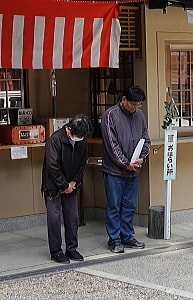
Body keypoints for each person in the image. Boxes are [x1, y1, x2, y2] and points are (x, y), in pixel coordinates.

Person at [101, 85, 151, 253]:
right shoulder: (110, 116)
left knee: (129, 205)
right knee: (114, 206)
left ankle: (127, 236)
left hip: (134, 169)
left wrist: (142, 158)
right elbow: (112, 146)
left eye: (139, 105)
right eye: (133, 104)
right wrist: (125, 163)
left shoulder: (140, 116)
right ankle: (114, 239)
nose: (136, 108)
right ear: (123, 100)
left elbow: (146, 139)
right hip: (114, 171)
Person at [41, 114, 92, 264]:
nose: (80, 138)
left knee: (72, 218)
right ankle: (56, 252)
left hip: (72, 185)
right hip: (53, 186)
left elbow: (83, 163)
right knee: (54, 219)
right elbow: (52, 166)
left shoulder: (82, 140)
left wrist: (74, 183)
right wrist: (64, 185)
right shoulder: (55, 140)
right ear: (69, 129)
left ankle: (71, 248)